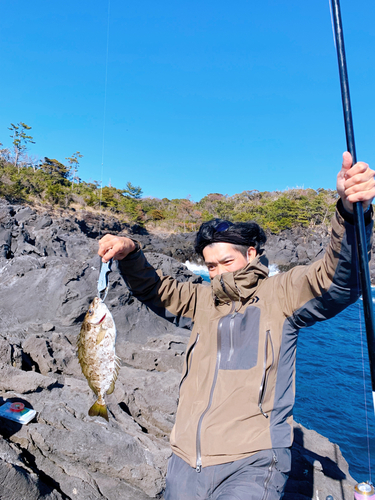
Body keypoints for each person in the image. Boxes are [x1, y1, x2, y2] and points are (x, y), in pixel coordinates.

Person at [98, 152, 375, 500]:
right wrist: (131, 252)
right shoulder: (202, 300)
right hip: (184, 462)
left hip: (252, 464)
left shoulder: (282, 293)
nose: (219, 272)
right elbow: (156, 291)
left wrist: (350, 215)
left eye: (227, 261)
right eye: (211, 266)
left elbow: (337, 280)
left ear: (252, 254)